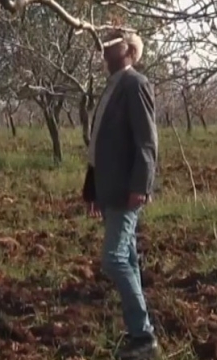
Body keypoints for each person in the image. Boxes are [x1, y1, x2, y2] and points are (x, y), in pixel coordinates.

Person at [81, 28, 160, 360]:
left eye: (112, 42)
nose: (104, 48)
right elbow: (101, 143)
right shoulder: (112, 87)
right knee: (126, 258)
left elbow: (146, 141)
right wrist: (92, 188)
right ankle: (139, 336)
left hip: (127, 189)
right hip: (110, 187)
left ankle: (143, 336)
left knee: (113, 259)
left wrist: (141, 186)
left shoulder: (135, 84)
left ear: (128, 50)